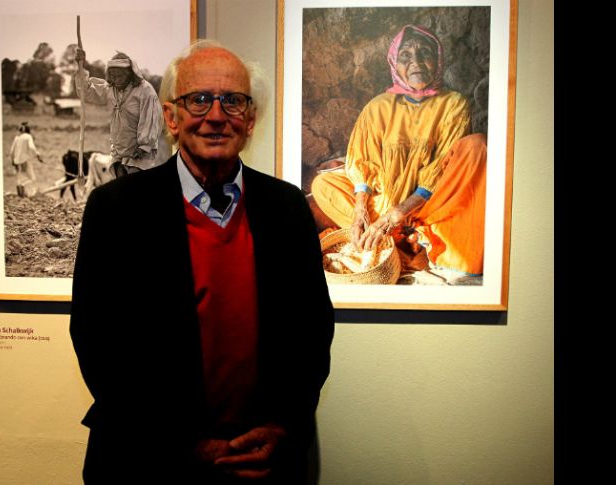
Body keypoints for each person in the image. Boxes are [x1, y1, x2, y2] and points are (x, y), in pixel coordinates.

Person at [70, 40, 334, 484]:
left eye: (233, 101)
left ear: (250, 121)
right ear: (171, 117)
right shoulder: (117, 209)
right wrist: (179, 444)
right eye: (199, 100)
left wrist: (282, 425)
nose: (216, 116)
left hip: (263, 463)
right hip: (145, 462)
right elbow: (98, 341)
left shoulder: (286, 207)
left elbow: (311, 330)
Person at [310, 24, 488, 277]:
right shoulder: (378, 106)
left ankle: (411, 236)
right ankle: (392, 237)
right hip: (381, 203)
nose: (416, 62)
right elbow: (363, 161)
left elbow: (440, 169)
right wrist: (361, 209)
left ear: (437, 60)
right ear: (395, 64)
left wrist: (399, 212)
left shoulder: (453, 104)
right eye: (406, 56)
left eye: (424, 53)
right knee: (323, 186)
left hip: (429, 203)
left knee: (476, 146)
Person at [74, 49, 164, 179]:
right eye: (113, 76)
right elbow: (85, 91)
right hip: (118, 150)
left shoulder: (145, 91)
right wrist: (81, 66)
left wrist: (144, 146)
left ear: (129, 73)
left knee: (135, 189)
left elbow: (150, 119)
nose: (116, 80)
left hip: (139, 152)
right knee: (122, 190)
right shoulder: (110, 90)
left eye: (120, 76)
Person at [8, 121, 43, 197]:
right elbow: (31, 147)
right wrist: (38, 155)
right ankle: (28, 191)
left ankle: (21, 195)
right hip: (25, 161)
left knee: (19, 178)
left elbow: (11, 152)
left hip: (17, 162)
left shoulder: (17, 138)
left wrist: (12, 161)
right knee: (32, 178)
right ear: (28, 130)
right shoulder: (28, 137)